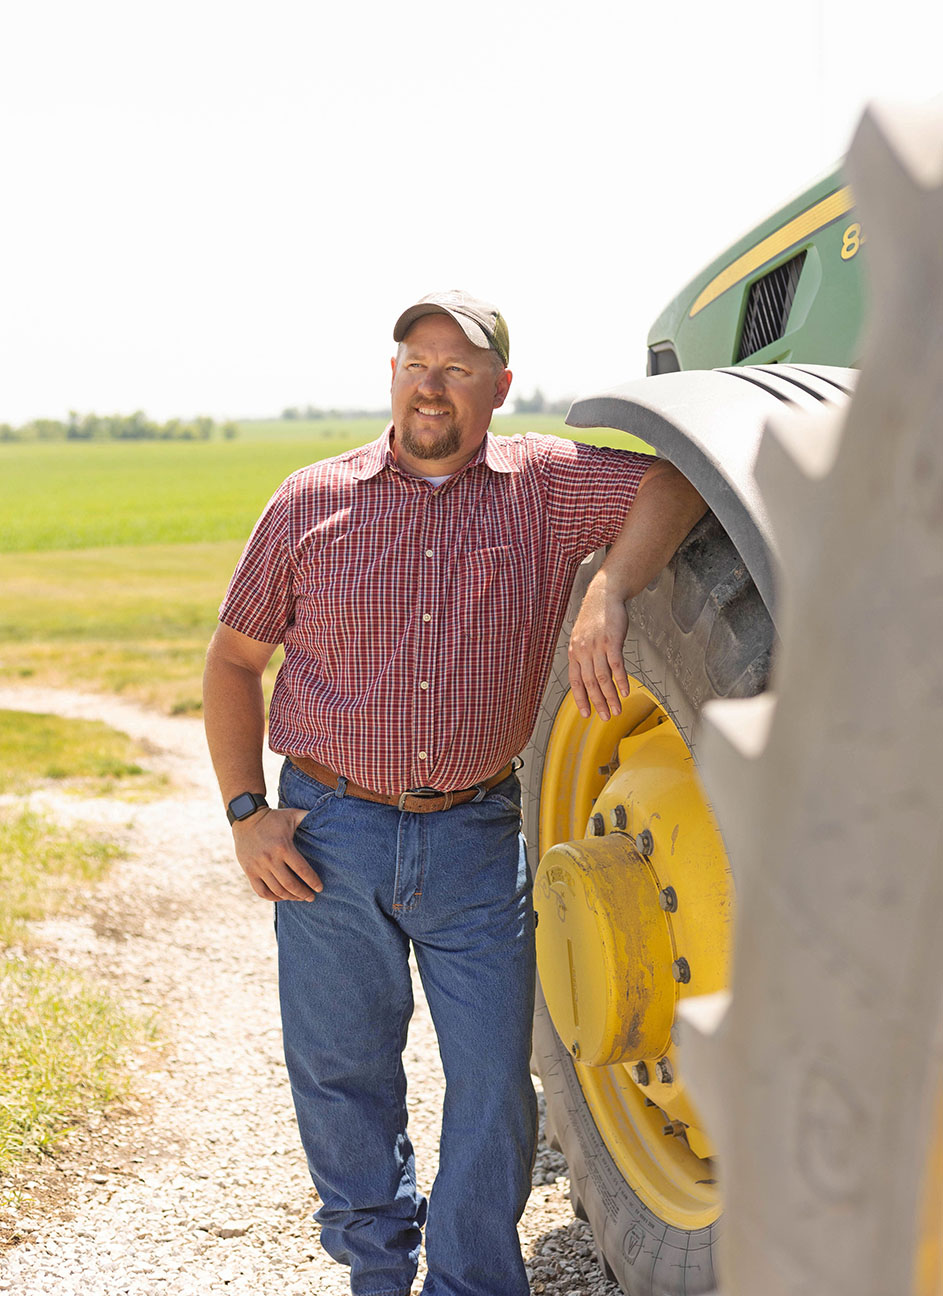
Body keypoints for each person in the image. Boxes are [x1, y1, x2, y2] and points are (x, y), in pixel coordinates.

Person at [202, 289, 706, 1296]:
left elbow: (677, 483)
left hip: (478, 830)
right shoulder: (311, 501)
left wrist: (610, 589)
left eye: (457, 366)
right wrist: (245, 814)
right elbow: (231, 663)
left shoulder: (545, 485)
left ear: (498, 387)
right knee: (343, 1077)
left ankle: (473, 1281)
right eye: (413, 360)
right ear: (392, 375)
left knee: (493, 1087)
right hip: (328, 831)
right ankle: (377, 1274)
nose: (430, 382)